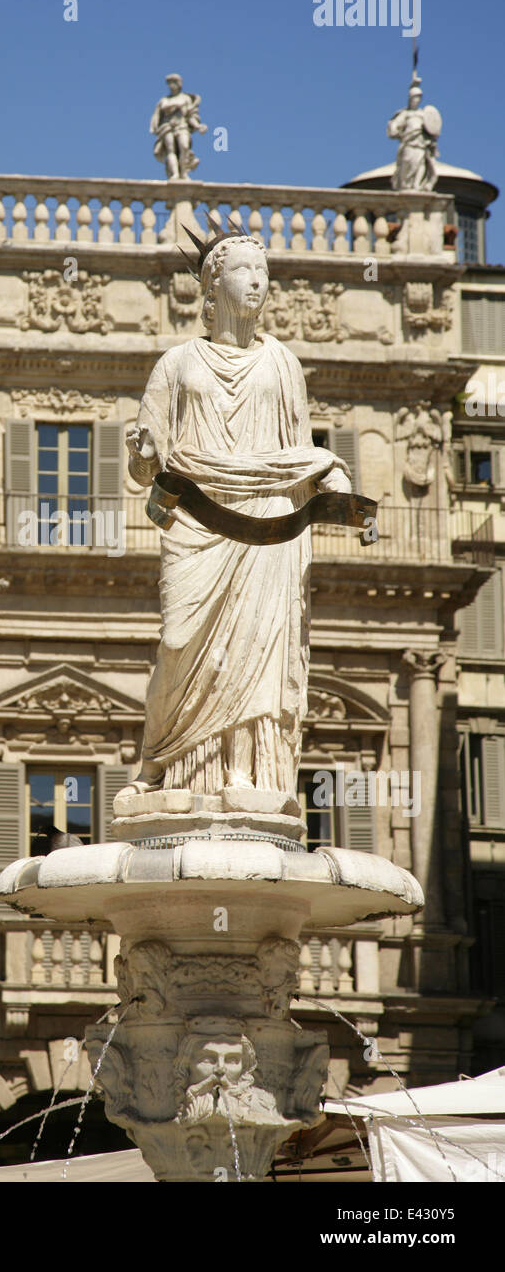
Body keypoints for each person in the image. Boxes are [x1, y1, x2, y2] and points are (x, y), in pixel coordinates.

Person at [123, 234, 352, 799]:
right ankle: (156, 766)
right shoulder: (176, 364)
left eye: (263, 270)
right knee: (178, 643)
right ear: (212, 284)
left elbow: (298, 450)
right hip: (197, 520)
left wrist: (330, 474)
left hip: (267, 519)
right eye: (245, 268)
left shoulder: (282, 363)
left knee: (259, 648)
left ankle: (244, 776)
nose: (257, 279)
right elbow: (143, 464)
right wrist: (144, 452)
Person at [387, 73, 440, 192]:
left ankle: (417, 184)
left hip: (421, 143)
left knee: (420, 164)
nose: (416, 100)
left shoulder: (423, 114)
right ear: (410, 100)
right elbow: (395, 124)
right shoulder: (406, 114)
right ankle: (407, 185)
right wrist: (395, 130)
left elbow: (432, 127)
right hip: (408, 143)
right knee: (408, 163)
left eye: (418, 98)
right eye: (414, 98)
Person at [150, 74, 207, 180]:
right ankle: (175, 174)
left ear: (178, 84)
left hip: (182, 126)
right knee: (170, 150)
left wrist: (198, 126)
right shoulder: (164, 100)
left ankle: (184, 173)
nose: (171, 86)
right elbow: (157, 116)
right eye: (169, 83)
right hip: (167, 127)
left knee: (184, 147)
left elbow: (190, 116)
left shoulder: (185, 98)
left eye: (173, 83)